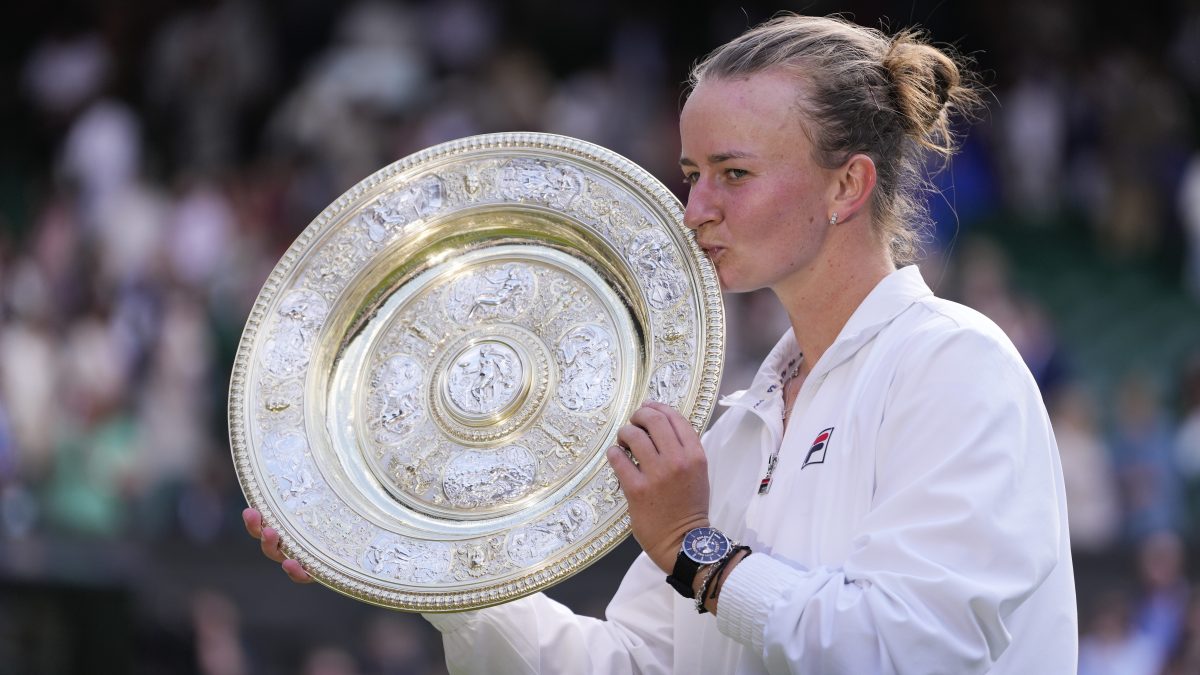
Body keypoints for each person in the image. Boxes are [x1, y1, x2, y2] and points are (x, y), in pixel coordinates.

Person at [244, 13, 1078, 673]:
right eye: (691, 173)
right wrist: (418, 561)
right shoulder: (735, 422)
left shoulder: (956, 366)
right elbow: (631, 665)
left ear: (847, 185)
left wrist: (695, 549)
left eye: (734, 173)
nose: (695, 208)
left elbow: (912, 654)